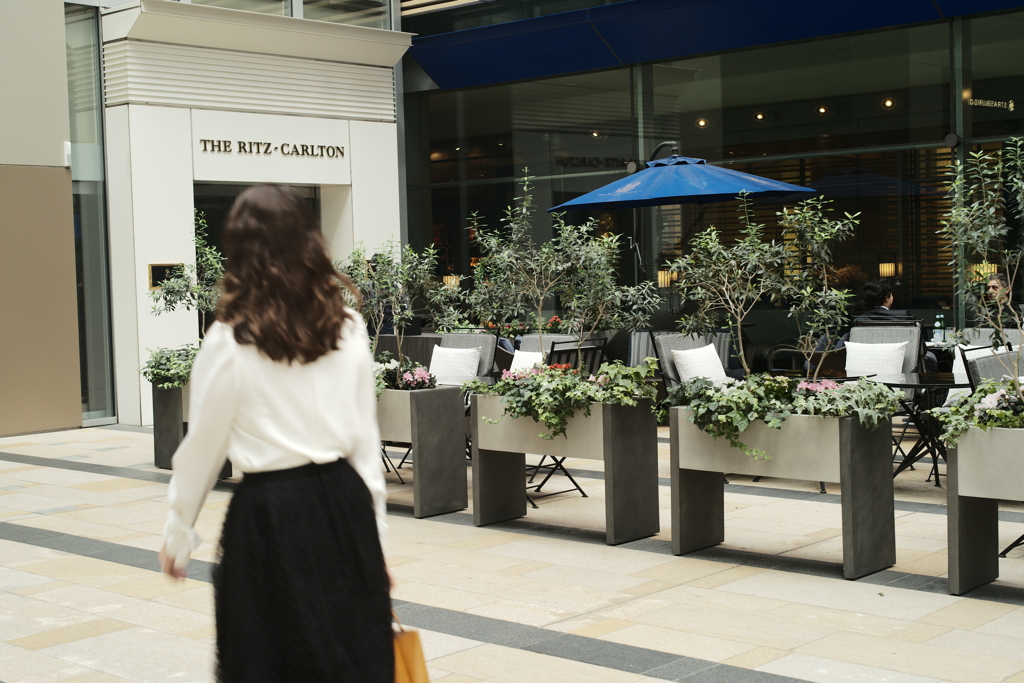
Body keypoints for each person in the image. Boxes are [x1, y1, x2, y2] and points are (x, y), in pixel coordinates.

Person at [159, 184, 392, 683]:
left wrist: (178, 535)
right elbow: (364, 444)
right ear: (310, 242)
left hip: (270, 516)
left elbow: (202, 447)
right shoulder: (347, 327)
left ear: (241, 251)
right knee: (351, 655)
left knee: (269, 659)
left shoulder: (230, 338)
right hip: (343, 506)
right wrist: (376, 545)